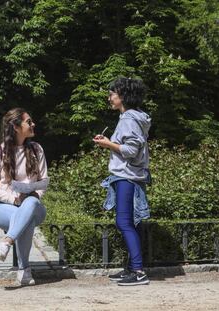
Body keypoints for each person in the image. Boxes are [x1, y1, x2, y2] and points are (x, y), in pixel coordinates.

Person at [93, 77, 151, 286]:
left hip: (126, 176)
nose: (109, 97)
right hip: (130, 175)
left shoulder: (128, 118)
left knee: (124, 222)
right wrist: (109, 142)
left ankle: (138, 272)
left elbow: (130, 151)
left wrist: (109, 144)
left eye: (112, 94)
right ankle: (131, 268)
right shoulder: (134, 117)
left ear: (123, 96)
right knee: (131, 223)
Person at [0, 108, 48, 286]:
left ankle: (7, 241)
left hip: (34, 206)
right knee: (24, 220)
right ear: (16, 126)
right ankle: (24, 270)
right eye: (29, 121)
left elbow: (43, 180)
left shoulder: (37, 150)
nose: (33, 124)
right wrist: (14, 199)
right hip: (5, 207)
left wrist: (34, 192)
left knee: (30, 203)